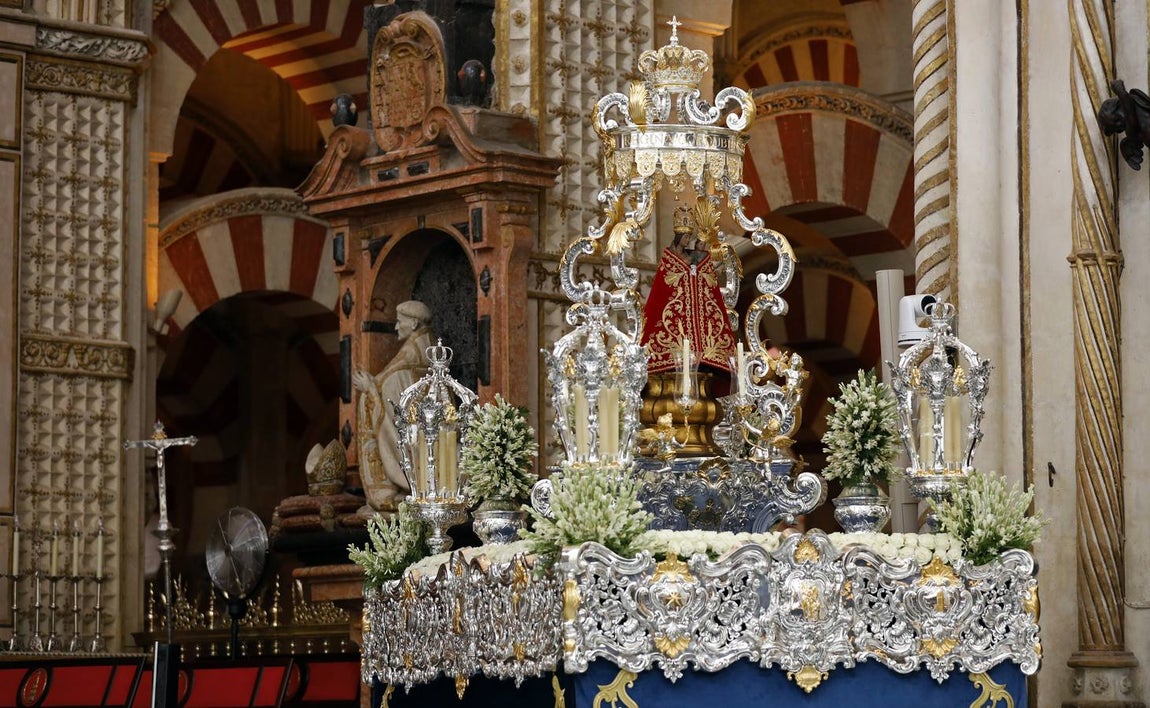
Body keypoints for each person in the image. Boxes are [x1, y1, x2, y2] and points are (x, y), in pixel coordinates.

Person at [353, 300, 435, 511]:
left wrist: (370, 391)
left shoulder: (400, 371)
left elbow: (391, 416)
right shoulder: (428, 358)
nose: (396, 327)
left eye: (400, 322)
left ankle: (408, 487)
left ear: (415, 324)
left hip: (416, 453)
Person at [641, 201, 737, 374]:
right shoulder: (670, 260)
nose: (688, 240)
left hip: (701, 345)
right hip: (676, 343)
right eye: (686, 237)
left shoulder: (694, 257)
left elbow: (705, 280)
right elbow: (662, 293)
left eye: (689, 237)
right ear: (678, 237)